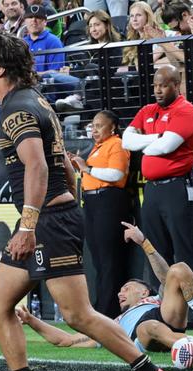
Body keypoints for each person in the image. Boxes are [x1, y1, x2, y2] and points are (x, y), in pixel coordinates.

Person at [0, 32, 180, 371]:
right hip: (49, 216)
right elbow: (64, 166)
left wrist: (31, 224)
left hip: (46, 222)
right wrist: (63, 200)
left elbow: (37, 165)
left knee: (78, 315)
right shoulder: (34, 101)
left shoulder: (16, 109)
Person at [16, 222, 193, 357]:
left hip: (165, 317)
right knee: (149, 326)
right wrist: (33, 321)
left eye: (126, 288)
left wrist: (144, 243)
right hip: (142, 334)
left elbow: (166, 276)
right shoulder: (112, 324)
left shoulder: (156, 300)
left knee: (179, 269)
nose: (120, 292)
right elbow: (66, 340)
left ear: (144, 293)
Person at [122, 65, 193, 289]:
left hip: (177, 185)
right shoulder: (148, 110)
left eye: (164, 86)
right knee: (156, 249)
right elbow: (126, 141)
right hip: (152, 189)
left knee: (185, 247)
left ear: (176, 86)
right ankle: (166, 307)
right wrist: (156, 137)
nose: (158, 90)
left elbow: (165, 147)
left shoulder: (185, 110)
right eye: (156, 85)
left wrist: (148, 142)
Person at [67, 110, 131, 319]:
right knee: (99, 260)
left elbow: (116, 174)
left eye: (99, 126)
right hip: (93, 203)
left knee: (109, 259)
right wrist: (77, 163)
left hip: (109, 201)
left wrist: (87, 168)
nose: (94, 130)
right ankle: (102, 307)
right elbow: (89, 171)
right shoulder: (98, 147)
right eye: (92, 126)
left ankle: (108, 310)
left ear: (112, 127)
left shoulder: (117, 144)